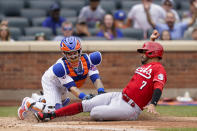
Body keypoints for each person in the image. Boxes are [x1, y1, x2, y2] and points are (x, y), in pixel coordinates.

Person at [34, 30, 167, 122]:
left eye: (145, 52)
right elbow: (73, 87)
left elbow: (158, 86)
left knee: (95, 112)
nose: (142, 54)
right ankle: (50, 115)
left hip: (131, 108)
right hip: (120, 95)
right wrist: (152, 41)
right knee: (86, 103)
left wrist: (153, 104)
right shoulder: (146, 65)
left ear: (152, 54)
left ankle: (39, 103)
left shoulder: (159, 69)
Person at [18, 36, 106, 120]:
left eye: (75, 52)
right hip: (52, 82)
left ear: (80, 51)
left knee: (59, 108)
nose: (73, 56)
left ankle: (40, 99)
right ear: (64, 53)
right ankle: (28, 102)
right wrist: (85, 97)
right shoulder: (61, 67)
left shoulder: (89, 60)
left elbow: (96, 79)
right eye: (69, 53)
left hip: (63, 84)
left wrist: (101, 91)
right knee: (53, 111)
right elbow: (72, 88)